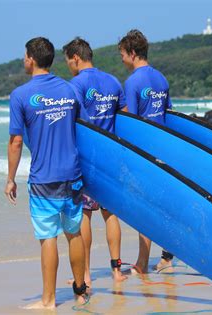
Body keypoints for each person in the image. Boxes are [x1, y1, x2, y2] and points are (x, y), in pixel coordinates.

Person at [4, 37, 87, 310]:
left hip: (43, 179)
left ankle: (49, 300)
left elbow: (16, 141)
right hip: (73, 175)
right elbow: (86, 132)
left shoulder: (20, 95)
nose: (23, 60)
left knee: (48, 237)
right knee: (73, 232)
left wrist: (10, 179)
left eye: (24, 56)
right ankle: (79, 290)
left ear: (31, 59)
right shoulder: (70, 89)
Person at [63, 37, 127, 286]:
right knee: (111, 214)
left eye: (68, 60)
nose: (69, 65)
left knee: (85, 215)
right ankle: (116, 271)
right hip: (112, 157)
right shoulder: (112, 81)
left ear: (76, 58)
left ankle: (86, 274)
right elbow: (125, 118)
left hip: (88, 159)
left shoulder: (75, 85)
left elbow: (76, 122)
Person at [118, 29, 174, 273]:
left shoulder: (132, 81)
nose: (121, 60)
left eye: (122, 54)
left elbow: (132, 120)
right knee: (163, 205)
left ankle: (142, 263)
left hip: (144, 153)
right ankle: (167, 257)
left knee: (145, 208)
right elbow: (166, 113)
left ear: (132, 53)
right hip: (164, 149)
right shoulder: (161, 78)